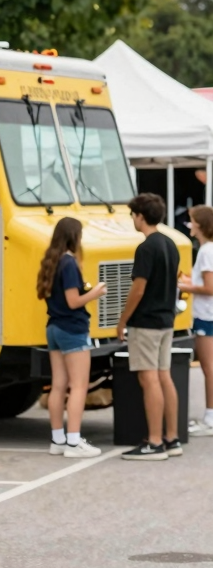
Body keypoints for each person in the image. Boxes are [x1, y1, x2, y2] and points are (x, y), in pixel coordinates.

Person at [117, 192, 182, 460]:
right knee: (164, 376)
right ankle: (172, 438)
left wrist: (123, 320)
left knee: (149, 378)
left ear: (140, 216)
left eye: (133, 215)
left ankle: (154, 442)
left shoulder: (145, 248)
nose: (133, 219)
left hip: (145, 322)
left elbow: (139, 288)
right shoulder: (170, 244)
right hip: (166, 319)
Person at [36, 218, 106, 457]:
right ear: (74, 237)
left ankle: (58, 440)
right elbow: (73, 301)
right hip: (72, 329)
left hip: (54, 327)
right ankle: (74, 442)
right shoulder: (69, 263)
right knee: (79, 386)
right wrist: (95, 293)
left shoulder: (52, 261)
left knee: (58, 385)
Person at [179, 205, 213, 435]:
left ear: (200, 225)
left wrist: (185, 287)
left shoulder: (205, 252)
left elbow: (210, 288)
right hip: (207, 314)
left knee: (208, 367)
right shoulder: (208, 250)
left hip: (205, 315)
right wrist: (189, 281)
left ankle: (210, 417)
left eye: (191, 220)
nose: (189, 225)